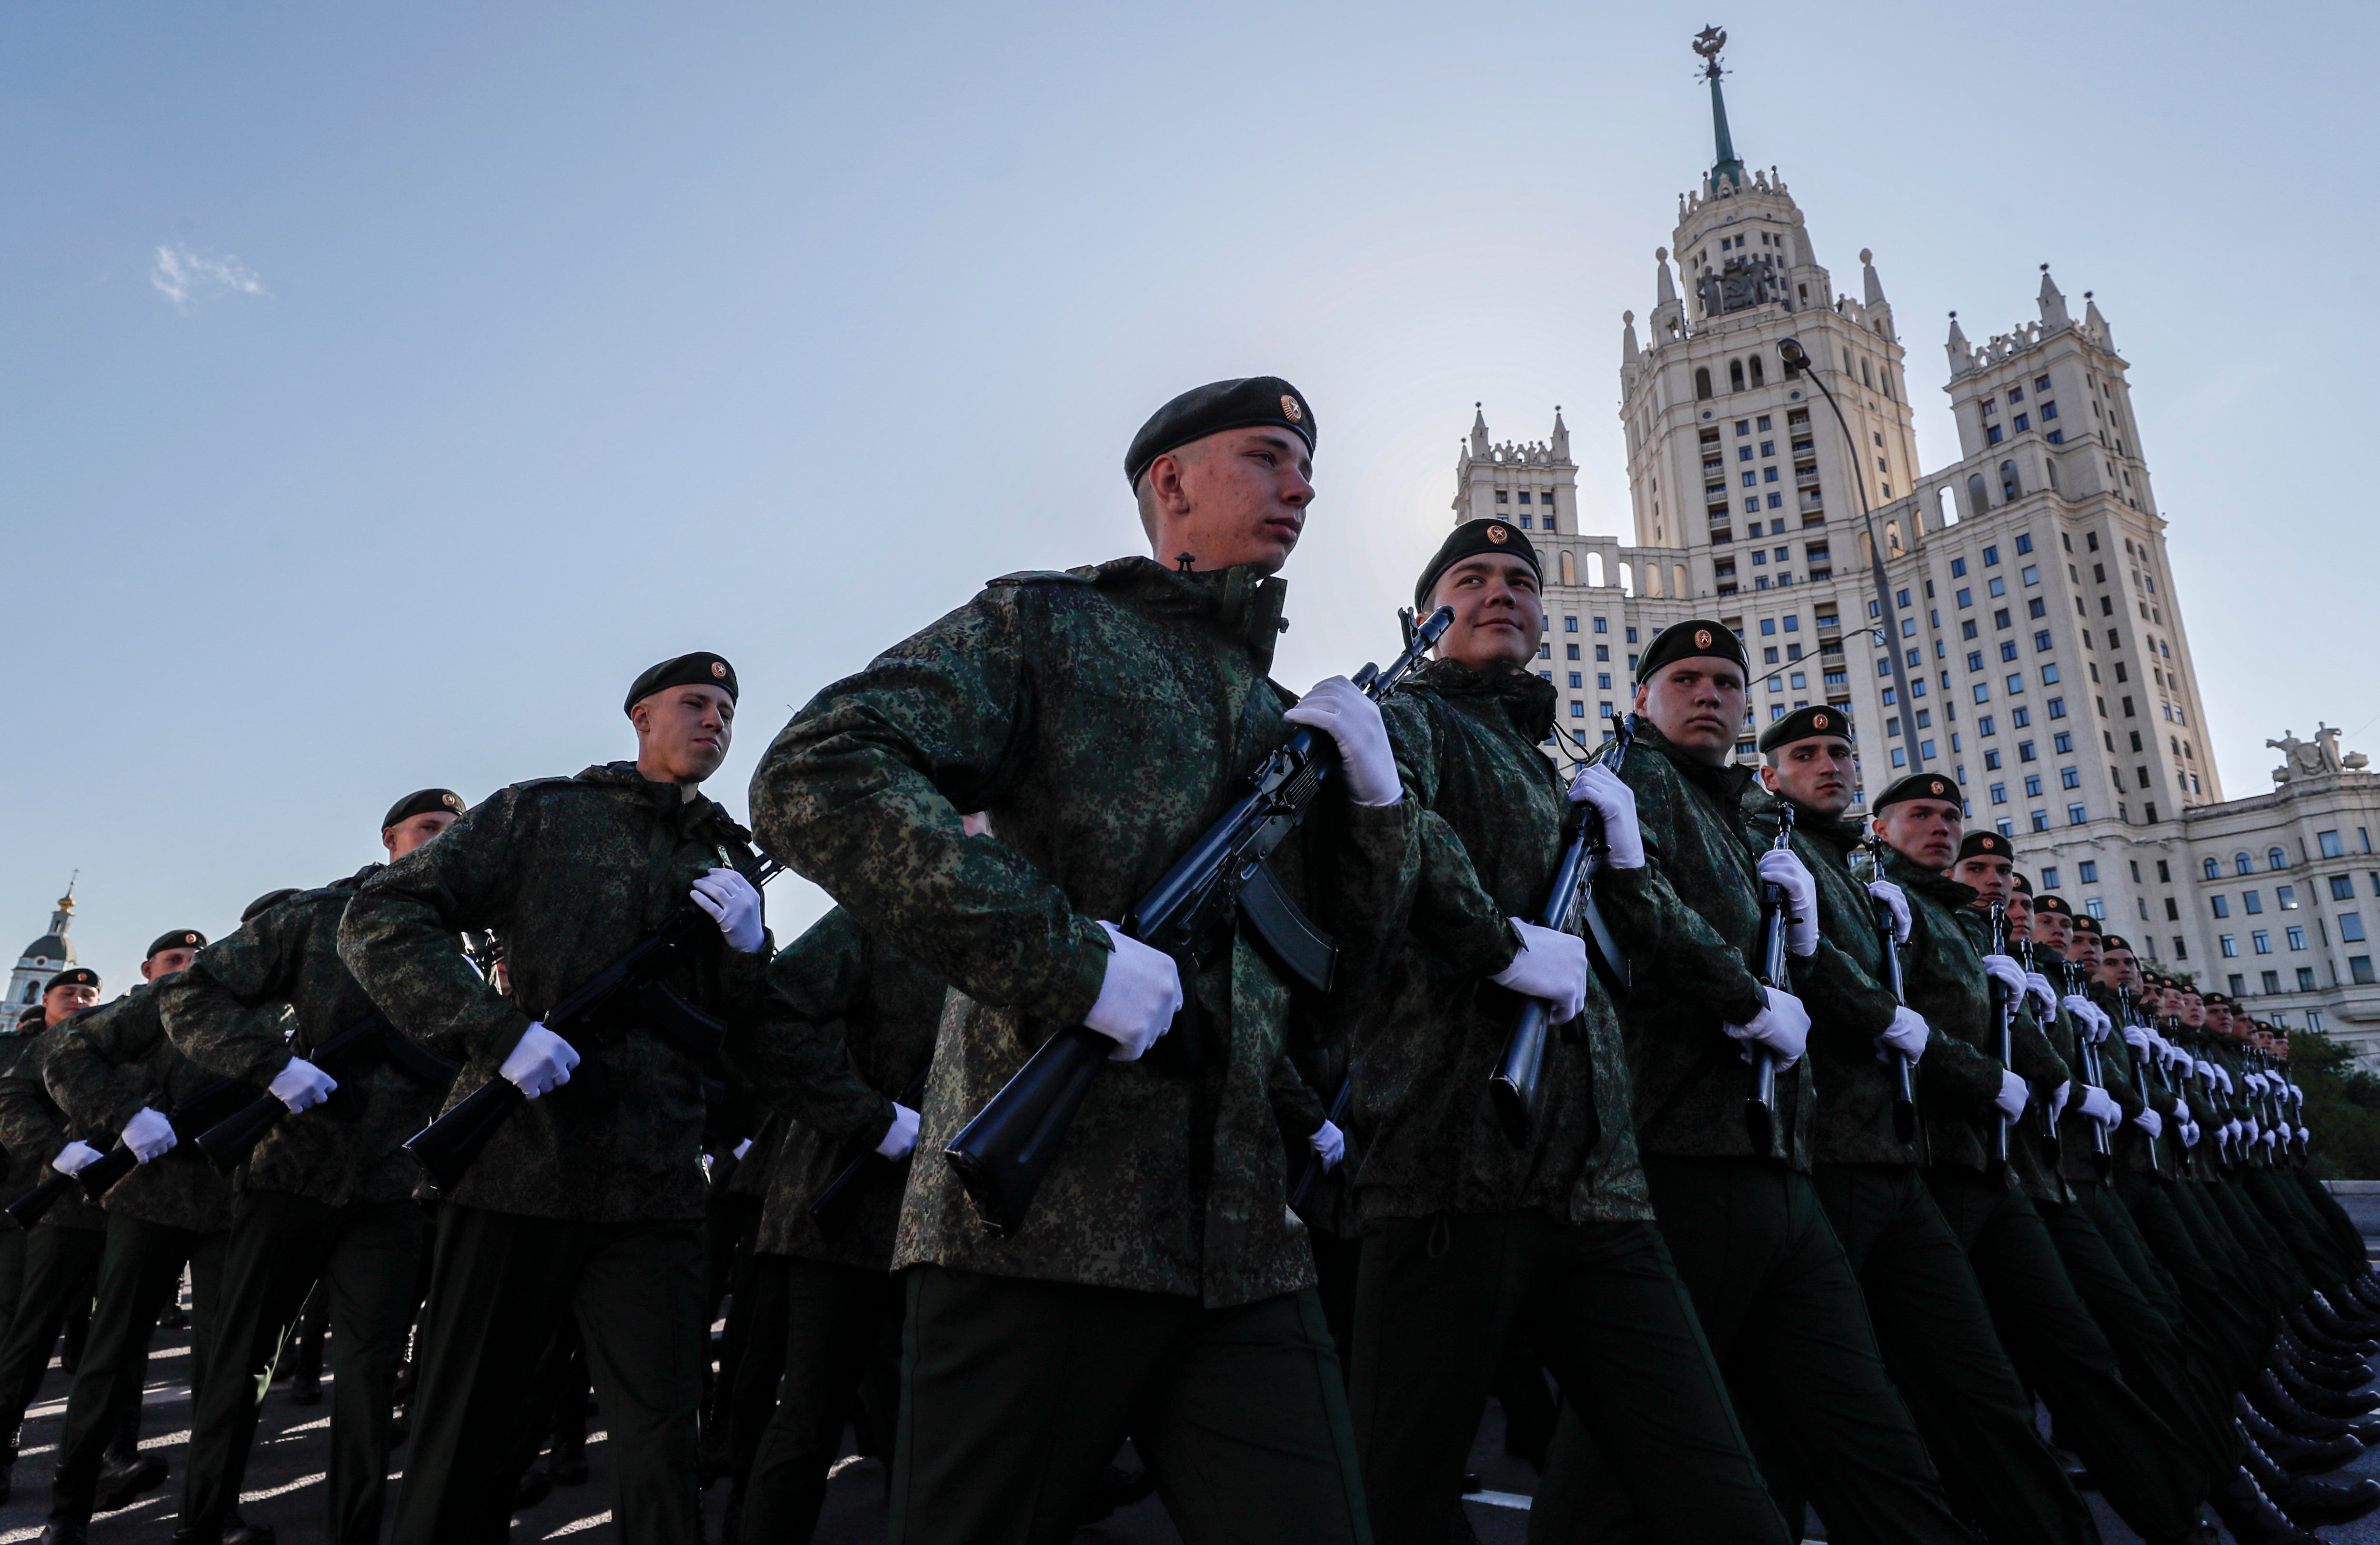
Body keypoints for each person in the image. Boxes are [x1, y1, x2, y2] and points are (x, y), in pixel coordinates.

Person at [749, 377, 1417, 1545]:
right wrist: (1068, 962)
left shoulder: (1281, 720)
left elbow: (1341, 987)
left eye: (1306, 467)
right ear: (1171, 481)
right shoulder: (1049, 628)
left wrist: (1374, 811)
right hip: (1041, 1234)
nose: (1302, 488)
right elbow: (813, 772)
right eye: (1267, 456)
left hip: (1242, 1248)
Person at [342, 655, 898, 1545]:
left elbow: (746, 1030)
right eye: (694, 702)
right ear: (641, 717)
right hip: (517, 1172)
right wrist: (495, 1030)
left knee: (661, 1442)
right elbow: (381, 917)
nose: (715, 719)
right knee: (467, 1432)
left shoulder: (729, 856)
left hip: (654, 1187)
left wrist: (748, 948)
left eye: (726, 709)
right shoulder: (544, 812)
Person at [1347, 525, 1786, 1544]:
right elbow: (1390, 862)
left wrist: (1633, 871)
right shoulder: (1405, 723)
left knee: (1714, 1492)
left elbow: (1644, 940)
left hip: (1596, 1184)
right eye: (1470, 579)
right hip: (1449, 1169)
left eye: (1520, 581)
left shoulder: (1556, 771)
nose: (1499, 592)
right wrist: (1500, 942)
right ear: (1426, 616)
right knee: (1395, 1496)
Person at [1537, 623, 1966, 1544]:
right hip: (1680, 1150)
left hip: (1777, 1156)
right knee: (1628, 1460)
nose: (1709, 694)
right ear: (1642, 697)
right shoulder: (1631, 782)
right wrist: (1748, 992)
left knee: (1865, 1435)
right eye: (1685, 678)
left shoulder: (1737, 812)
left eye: (1727, 682)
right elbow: (1633, 922)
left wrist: (1798, 948)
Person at [1752, 708, 2097, 1543]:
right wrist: (1985, 1074)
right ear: (1769, 775)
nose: (1829, 764)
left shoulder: (1871, 885)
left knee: (1980, 1383)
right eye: (1806, 753)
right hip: (1838, 1153)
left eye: (1841, 752)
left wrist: (2045, 1064)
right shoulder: (1780, 851)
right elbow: (1836, 988)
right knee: (1826, 1402)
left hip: (1913, 1156)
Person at [1873, 788, 2221, 1544]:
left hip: (2004, 1168)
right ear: (1881, 830)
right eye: (1924, 819)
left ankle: (2199, 1511)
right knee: (1969, 1388)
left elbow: (2022, 1044)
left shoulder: (1976, 935)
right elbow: (1886, 1016)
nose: (1995, 881)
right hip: (1932, 1166)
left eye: (1952, 821)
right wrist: (2003, 1075)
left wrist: (2069, 1072)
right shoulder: (1883, 904)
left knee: (2089, 1348)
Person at [161, 791, 470, 1545]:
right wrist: (272, 1064)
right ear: (390, 837)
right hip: (290, 1174)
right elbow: (193, 993)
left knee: (370, 1374)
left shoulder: (465, 941)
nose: (443, 841)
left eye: (457, 832)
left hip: (390, 1189)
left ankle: (353, 1531)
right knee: (243, 1361)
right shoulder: (318, 914)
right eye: (428, 828)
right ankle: (205, 1521)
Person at [731, 906, 943, 1542]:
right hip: (843, 1208)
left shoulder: (1020, 923)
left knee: (930, 1419)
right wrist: (875, 1119)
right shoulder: (877, 919)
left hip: (945, 1218)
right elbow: (764, 1023)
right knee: (809, 1416)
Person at [39, 929, 236, 1544]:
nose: (187, 966)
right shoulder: (134, 1015)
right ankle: (68, 1510)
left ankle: (210, 1515)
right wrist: (129, 1116)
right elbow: (68, 1062)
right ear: (148, 969)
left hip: (224, 1206)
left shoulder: (233, 1010)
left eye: (196, 958)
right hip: (146, 1199)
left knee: (225, 1362)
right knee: (111, 1354)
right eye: (173, 959)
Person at [0, 967, 111, 1505]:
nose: (80, 999)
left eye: (89, 993)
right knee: (14, 1321)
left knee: (35, 1325)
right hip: (13, 1199)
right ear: (44, 998)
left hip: (73, 1206)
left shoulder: (106, 1049)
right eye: (69, 992)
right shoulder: (9, 1050)